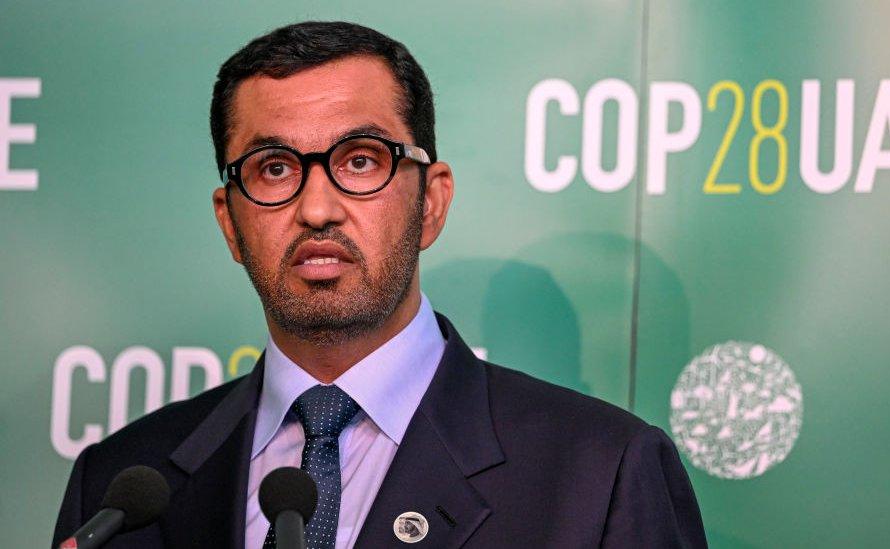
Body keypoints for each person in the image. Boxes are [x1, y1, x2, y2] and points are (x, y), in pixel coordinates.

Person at [52, 21, 707, 549]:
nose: (317, 208)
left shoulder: (601, 472)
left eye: (360, 160)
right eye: (274, 168)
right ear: (230, 220)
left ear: (431, 202)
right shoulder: (117, 488)